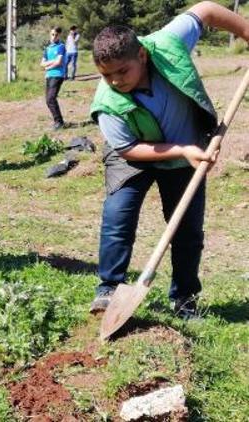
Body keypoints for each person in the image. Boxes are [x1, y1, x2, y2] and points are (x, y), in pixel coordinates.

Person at [88, 1, 249, 319]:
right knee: (118, 217)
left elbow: (206, 10)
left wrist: (246, 32)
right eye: (107, 75)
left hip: (185, 159)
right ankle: (108, 288)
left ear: (142, 55)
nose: (116, 80)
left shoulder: (168, 42)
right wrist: (181, 149)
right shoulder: (107, 103)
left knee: (188, 231)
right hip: (133, 156)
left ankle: (185, 300)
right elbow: (128, 149)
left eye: (123, 71)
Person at [41, 26, 66, 130]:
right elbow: (41, 63)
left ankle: (59, 122)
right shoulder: (47, 49)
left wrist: (48, 66)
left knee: (51, 98)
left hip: (58, 75)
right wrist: (52, 63)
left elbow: (59, 62)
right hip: (49, 76)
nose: (54, 37)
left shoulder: (61, 46)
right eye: (52, 34)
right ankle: (58, 121)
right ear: (49, 35)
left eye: (56, 35)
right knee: (48, 100)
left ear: (59, 35)